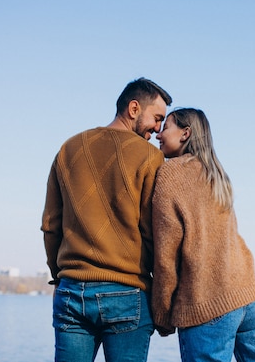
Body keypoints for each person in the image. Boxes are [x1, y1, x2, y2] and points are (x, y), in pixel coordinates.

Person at [41, 77, 172, 362]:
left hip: (72, 291)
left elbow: (51, 225)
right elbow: (157, 234)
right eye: (157, 118)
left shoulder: (69, 149)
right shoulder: (150, 158)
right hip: (128, 292)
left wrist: (58, 277)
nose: (159, 129)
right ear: (134, 108)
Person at [151, 108, 255, 362]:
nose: (158, 134)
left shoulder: (171, 174)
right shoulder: (216, 173)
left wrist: (162, 314)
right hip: (250, 299)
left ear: (185, 134)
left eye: (166, 127)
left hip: (207, 302)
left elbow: (166, 256)